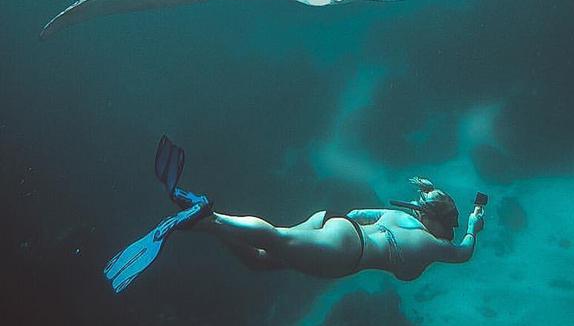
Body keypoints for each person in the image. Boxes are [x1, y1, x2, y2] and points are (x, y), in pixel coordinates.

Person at [103, 137, 485, 292]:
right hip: (345, 253)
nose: (448, 229)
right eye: (448, 223)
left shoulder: (403, 219)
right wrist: (474, 222)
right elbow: (466, 250)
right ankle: (210, 217)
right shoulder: (433, 245)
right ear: (437, 221)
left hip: (339, 225)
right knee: (275, 240)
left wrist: (336, 228)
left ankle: (204, 224)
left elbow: (356, 212)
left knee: (262, 261)